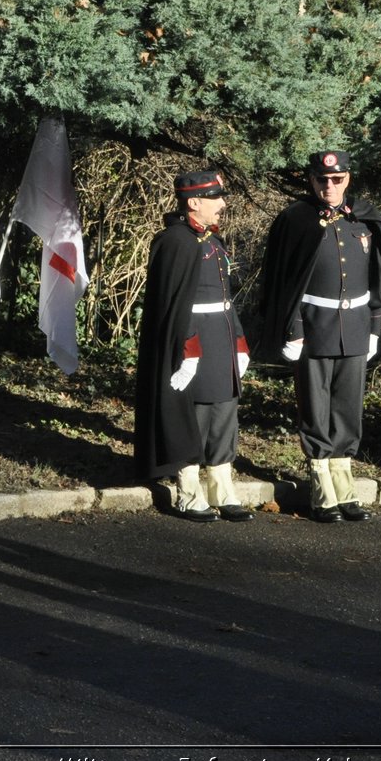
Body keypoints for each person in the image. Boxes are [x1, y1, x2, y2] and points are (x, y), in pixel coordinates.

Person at [256, 150, 381, 523]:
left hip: (356, 325)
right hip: (314, 326)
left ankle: (345, 485)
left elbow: (378, 277)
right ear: (311, 180)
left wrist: (375, 326)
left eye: (337, 179)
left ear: (348, 179)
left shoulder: (365, 217)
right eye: (322, 179)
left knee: (348, 406)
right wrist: (293, 330)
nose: (329, 186)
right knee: (315, 405)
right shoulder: (295, 220)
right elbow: (284, 282)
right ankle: (322, 489)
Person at [134, 169, 255, 523]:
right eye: (216, 198)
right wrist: (187, 350)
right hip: (193, 342)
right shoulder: (174, 241)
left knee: (223, 414)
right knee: (193, 416)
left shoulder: (211, 242)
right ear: (195, 202)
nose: (222, 204)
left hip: (220, 337)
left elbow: (225, 298)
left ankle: (222, 489)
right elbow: (174, 303)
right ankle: (189, 492)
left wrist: (239, 341)